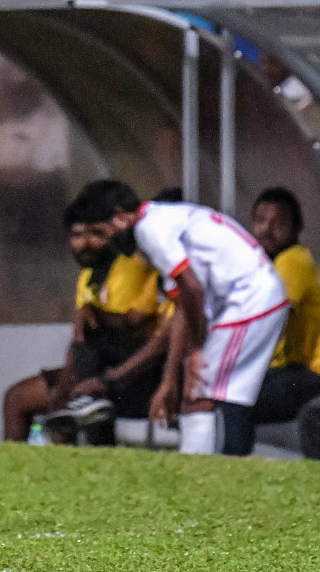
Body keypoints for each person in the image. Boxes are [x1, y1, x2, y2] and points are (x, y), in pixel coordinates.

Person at [88, 180, 289, 456]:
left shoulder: (150, 229)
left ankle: (196, 475)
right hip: (250, 299)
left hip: (249, 299)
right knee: (198, 391)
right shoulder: (159, 222)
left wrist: (196, 350)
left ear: (121, 215)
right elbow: (182, 305)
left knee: (199, 393)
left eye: (102, 231)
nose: (105, 242)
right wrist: (170, 380)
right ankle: (210, 468)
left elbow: (191, 287)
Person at [2, 188, 166, 443]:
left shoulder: (132, 266)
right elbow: (80, 337)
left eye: (97, 234)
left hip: (131, 374)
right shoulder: (88, 277)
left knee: (68, 404)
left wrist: (94, 315)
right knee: (18, 398)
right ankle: (20, 472)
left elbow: (135, 324)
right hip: (91, 369)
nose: (86, 243)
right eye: (78, 235)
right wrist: (67, 377)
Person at [249, 186, 320, 425]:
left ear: (296, 230)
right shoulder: (264, 266)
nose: (266, 229)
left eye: (278, 223)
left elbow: (267, 315)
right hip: (286, 371)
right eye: (260, 220)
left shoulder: (294, 259)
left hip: (308, 372)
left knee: (238, 396)